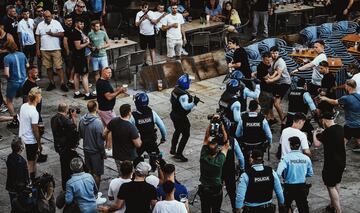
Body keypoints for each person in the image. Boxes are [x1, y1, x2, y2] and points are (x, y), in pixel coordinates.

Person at [313, 111, 346, 213]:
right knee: (337, 182)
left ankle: (338, 210)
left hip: (331, 163)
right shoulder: (341, 128)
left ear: (324, 120)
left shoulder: (326, 132)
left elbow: (317, 144)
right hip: (341, 161)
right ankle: (333, 205)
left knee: (330, 186)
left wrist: (315, 133)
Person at [320, 79, 360, 151]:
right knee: (359, 140)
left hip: (350, 125)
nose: (345, 87)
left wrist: (325, 98)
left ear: (349, 87)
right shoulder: (359, 96)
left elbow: (334, 102)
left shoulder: (346, 98)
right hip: (359, 124)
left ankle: (340, 156)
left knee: (342, 142)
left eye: (346, 86)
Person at [277, 136, 313, 213]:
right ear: (299, 145)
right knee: (303, 208)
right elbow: (310, 173)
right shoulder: (306, 158)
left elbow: (278, 173)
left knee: (284, 207)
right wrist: (301, 174)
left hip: (289, 187)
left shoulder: (285, 158)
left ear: (290, 146)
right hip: (301, 187)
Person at [199, 123, 230, 213]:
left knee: (205, 209)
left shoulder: (203, 157)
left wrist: (210, 123)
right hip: (216, 189)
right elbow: (226, 144)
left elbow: (206, 138)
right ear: (217, 150)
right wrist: (223, 128)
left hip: (204, 189)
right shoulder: (219, 161)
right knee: (216, 210)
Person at [103, 104, 142, 175]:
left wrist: (107, 143)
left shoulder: (113, 121)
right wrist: (139, 136)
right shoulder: (131, 128)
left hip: (117, 155)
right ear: (129, 113)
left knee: (120, 172)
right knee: (128, 175)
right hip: (128, 158)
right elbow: (138, 144)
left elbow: (104, 133)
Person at [35, 10, 68, 92]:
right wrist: (38, 50)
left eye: (49, 16)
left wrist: (53, 34)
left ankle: (62, 83)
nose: (47, 18)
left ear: (51, 16)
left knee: (59, 67)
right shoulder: (40, 25)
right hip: (44, 49)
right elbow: (38, 38)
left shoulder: (56, 23)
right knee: (48, 67)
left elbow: (62, 34)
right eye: (46, 17)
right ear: (43, 17)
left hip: (56, 49)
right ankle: (52, 83)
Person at [170, 74, 199, 162]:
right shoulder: (183, 95)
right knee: (186, 134)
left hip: (174, 114)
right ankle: (179, 154)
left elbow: (171, 100)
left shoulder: (175, 90)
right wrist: (194, 102)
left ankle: (173, 149)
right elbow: (186, 107)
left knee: (178, 130)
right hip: (180, 117)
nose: (190, 82)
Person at [50, 102, 79, 190]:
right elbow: (74, 130)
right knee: (67, 169)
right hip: (66, 147)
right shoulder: (66, 121)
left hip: (58, 145)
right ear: (66, 110)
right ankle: (68, 187)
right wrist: (73, 117)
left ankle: (65, 186)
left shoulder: (53, 118)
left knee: (64, 167)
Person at [130, 92, 167, 157]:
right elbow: (162, 127)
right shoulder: (152, 113)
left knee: (135, 160)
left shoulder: (132, 116)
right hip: (151, 142)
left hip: (139, 143)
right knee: (156, 159)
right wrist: (163, 138)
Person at [79, 100, 105, 189]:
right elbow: (100, 142)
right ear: (95, 108)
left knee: (89, 172)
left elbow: (81, 134)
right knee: (97, 174)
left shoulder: (82, 119)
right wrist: (103, 153)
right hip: (96, 152)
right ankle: (96, 194)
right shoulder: (98, 122)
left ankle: (89, 191)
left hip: (86, 150)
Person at [239, 100, 272, 167]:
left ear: (249, 108)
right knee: (259, 163)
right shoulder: (262, 119)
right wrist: (269, 142)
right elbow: (269, 135)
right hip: (259, 146)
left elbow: (237, 134)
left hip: (246, 146)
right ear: (257, 108)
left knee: (246, 163)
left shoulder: (243, 118)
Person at [19, 87, 42, 182]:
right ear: (36, 97)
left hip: (23, 136)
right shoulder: (34, 112)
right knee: (31, 162)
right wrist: (39, 143)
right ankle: (31, 180)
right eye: (40, 95)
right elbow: (35, 129)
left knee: (31, 160)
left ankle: (32, 178)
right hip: (30, 140)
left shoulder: (23, 106)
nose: (41, 97)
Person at [265, 46, 291, 127]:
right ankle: (272, 118)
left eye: (276, 53)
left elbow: (278, 75)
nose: (274, 54)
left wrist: (270, 80)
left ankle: (284, 121)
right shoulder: (271, 60)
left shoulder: (280, 62)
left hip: (284, 83)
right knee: (269, 100)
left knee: (276, 103)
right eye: (273, 53)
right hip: (276, 83)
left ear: (278, 53)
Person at [71, 17, 96, 100]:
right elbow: (78, 47)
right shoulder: (76, 33)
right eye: (80, 23)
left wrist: (87, 43)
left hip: (77, 56)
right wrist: (87, 43)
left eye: (83, 23)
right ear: (76, 24)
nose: (82, 25)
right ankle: (87, 94)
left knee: (77, 74)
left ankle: (77, 92)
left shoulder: (79, 31)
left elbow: (83, 40)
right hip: (79, 56)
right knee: (84, 75)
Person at [3, 41, 28, 122]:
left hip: (13, 82)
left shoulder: (7, 58)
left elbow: (6, 73)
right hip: (24, 81)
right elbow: (27, 65)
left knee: (9, 100)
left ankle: (14, 118)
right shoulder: (22, 54)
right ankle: (25, 116)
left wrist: (8, 80)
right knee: (25, 98)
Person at [6, 138, 30, 212]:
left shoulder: (10, 157)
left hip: (10, 186)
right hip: (18, 189)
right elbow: (20, 178)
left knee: (13, 205)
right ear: (21, 148)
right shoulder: (21, 162)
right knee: (19, 207)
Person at [252, 52, 275, 123]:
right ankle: (262, 124)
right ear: (263, 59)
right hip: (265, 91)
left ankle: (270, 119)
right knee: (264, 110)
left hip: (270, 90)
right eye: (267, 60)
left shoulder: (268, 65)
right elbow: (268, 80)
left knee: (270, 107)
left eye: (270, 60)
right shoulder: (261, 67)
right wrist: (277, 74)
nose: (268, 62)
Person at [135, 2, 156, 66]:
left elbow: (155, 22)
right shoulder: (138, 13)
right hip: (142, 34)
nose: (144, 9)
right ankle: (145, 63)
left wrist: (149, 18)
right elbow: (136, 24)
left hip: (151, 34)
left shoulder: (151, 13)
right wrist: (142, 19)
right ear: (140, 7)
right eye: (143, 7)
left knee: (152, 49)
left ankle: (153, 64)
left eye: (145, 7)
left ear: (148, 7)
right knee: (144, 50)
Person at [62, 14, 75, 87]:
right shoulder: (64, 28)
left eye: (71, 20)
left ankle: (72, 80)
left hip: (73, 49)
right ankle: (69, 81)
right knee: (69, 65)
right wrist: (67, 50)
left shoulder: (72, 27)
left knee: (72, 65)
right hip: (67, 50)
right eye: (68, 21)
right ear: (65, 21)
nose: (70, 22)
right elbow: (65, 41)